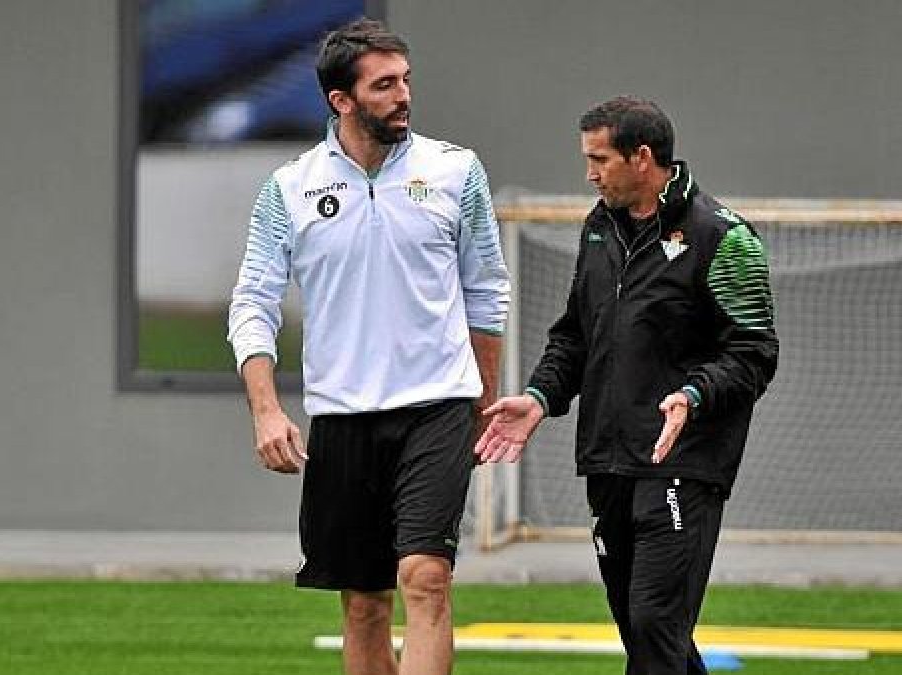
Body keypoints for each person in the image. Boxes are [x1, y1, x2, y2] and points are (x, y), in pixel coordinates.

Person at [228, 19, 509, 675]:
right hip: (343, 415)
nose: (403, 94)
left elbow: (487, 291)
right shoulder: (288, 188)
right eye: (384, 85)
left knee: (426, 577)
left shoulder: (456, 172)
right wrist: (266, 409)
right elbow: (252, 303)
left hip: (438, 405)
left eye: (405, 79)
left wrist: (483, 398)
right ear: (341, 101)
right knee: (363, 604)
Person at [476, 96, 778, 674]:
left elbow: (755, 353)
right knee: (641, 630)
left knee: (654, 625)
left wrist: (693, 395)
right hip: (610, 459)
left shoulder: (724, 237)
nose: (589, 173)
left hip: (683, 462)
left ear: (642, 158)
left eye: (599, 159)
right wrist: (541, 398)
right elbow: (575, 334)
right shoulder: (599, 227)